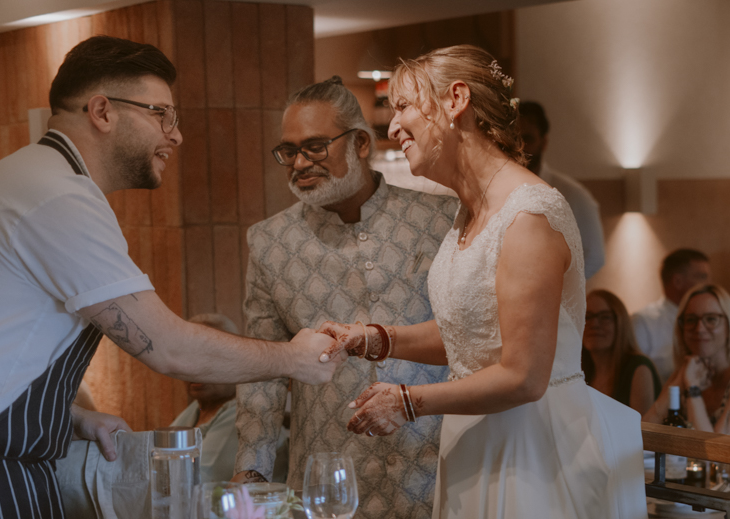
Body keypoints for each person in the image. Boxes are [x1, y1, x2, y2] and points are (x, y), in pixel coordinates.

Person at [0, 36, 343, 517]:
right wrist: (294, 358)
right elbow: (171, 348)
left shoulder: (28, 179)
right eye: (162, 115)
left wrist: (67, 418)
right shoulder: (58, 196)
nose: (175, 136)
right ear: (102, 111)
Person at [321, 45, 646, 518]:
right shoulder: (470, 212)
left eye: (403, 106)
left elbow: (524, 376)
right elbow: (473, 334)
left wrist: (408, 401)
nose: (392, 128)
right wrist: (375, 339)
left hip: (534, 447)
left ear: (456, 100)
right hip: (478, 438)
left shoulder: (529, 214)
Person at [233, 76, 457, 518]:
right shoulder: (270, 243)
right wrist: (251, 471)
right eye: (289, 151)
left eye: (315, 147)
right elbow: (263, 369)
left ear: (360, 143)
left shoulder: (439, 220)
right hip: (329, 479)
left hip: (440, 470)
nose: (300, 163)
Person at [170, 313, 289, 483]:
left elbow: (195, 480)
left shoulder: (247, 414)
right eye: (186, 356)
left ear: (235, 360)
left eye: (209, 356)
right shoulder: (198, 408)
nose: (194, 367)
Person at [518, 101, 605, 279]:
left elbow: (595, 256)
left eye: (528, 138)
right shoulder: (497, 190)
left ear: (543, 142)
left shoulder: (572, 195)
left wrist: (560, 288)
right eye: (514, 138)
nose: (520, 147)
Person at [643, 284, 730, 434]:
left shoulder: (690, 379)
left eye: (711, 319)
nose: (699, 328)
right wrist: (678, 382)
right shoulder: (684, 373)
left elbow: (713, 447)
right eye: (691, 320)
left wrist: (692, 389)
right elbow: (643, 432)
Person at [633, 248, 711, 383]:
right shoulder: (643, 323)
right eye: (702, 277)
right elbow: (635, 375)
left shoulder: (716, 321)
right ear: (677, 281)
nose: (709, 284)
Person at [582, 289, 661, 414]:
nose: (594, 324)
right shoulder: (580, 370)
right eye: (587, 317)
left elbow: (642, 425)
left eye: (605, 317)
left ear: (620, 322)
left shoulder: (639, 367)